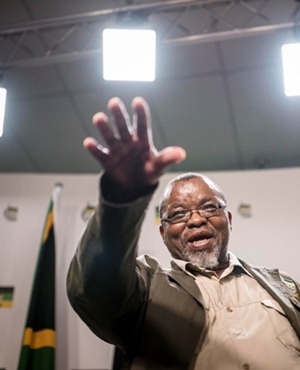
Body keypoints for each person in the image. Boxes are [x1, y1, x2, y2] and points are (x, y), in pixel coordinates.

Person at [67, 97, 300, 370]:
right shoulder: (147, 289)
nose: (196, 219)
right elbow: (94, 289)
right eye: (178, 214)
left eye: (209, 207)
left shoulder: (280, 284)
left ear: (228, 218)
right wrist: (122, 199)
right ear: (164, 233)